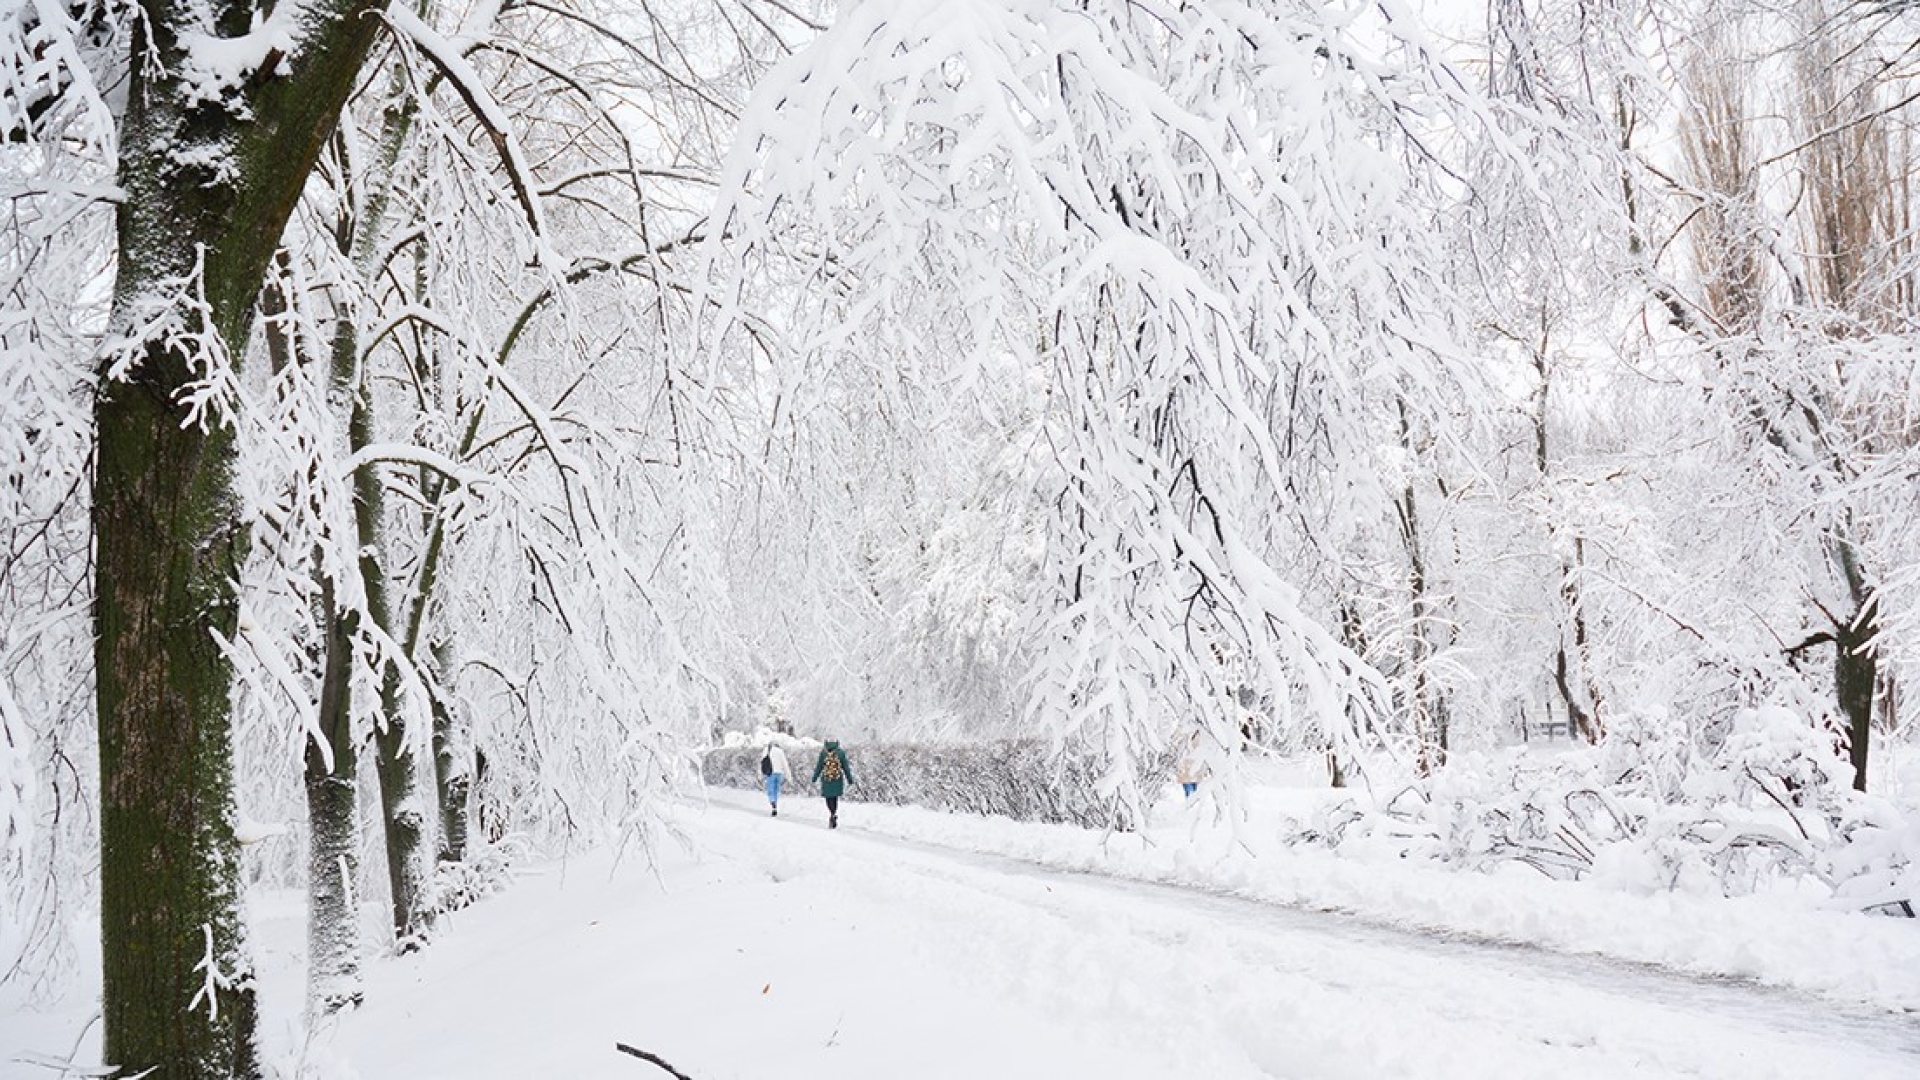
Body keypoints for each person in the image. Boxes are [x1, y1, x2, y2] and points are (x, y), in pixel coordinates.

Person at [811, 739, 853, 829]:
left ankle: (832, 813)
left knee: (828, 798)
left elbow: (819, 767)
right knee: (835, 798)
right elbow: (846, 767)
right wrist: (850, 779)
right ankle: (834, 813)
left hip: (827, 779)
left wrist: (814, 778)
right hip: (837, 779)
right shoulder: (841, 753)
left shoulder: (823, 753)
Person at [762, 741, 791, 816]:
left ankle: (773, 803)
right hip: (779, 773)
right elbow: (785, 764)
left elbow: (762, 762)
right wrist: (789, 777)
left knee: (770, 790)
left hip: (770, 772)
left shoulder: (766, 750)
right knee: (776, 790)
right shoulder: (780, 751)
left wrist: (761, 774)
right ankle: (775, 805)